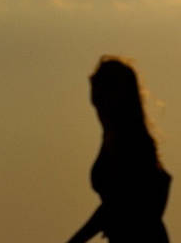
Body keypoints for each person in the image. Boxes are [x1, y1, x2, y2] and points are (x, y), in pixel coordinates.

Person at [66, 56, 172, 243]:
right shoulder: (112, 136)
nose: (95, 102)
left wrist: (77, 239)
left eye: (99, 93)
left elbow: (118, 203)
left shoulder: (130, 140)